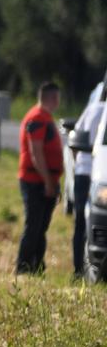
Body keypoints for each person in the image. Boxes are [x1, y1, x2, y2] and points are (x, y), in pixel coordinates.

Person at [16, 82, 65, 275]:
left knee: (40, 227)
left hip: (43, 180)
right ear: (52, 98)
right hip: (35, 181)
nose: (58, 102)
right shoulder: (37, 118)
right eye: (57, 98)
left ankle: (36, 266)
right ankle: (23, 267)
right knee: (34, 225)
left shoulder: (45, 117)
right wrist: (48, 182)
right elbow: (36, 154)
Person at [68, 86, 104, 278]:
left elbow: (75, 135)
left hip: (89, 173)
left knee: (82, 222)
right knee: (82, 222)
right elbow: (76, 139)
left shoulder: (93, 109)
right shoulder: (95, 110)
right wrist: (81, 165)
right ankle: (78, 270)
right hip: (87, 172)